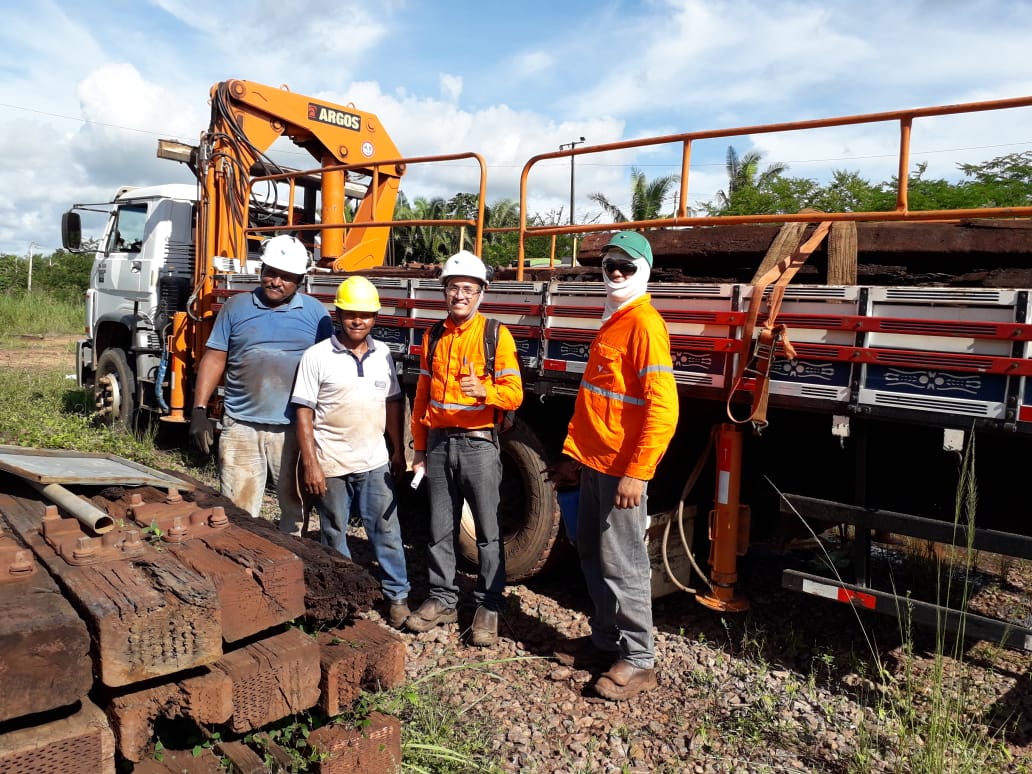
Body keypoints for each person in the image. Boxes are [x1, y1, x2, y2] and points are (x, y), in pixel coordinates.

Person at [552, 231, 678, 701]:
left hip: (622, 470)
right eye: (610, 267)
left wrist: (638, 472)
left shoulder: (644, 325)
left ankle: (640, 659)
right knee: (590, 550)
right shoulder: (613, 320)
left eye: (627, 266)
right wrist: (572, 457)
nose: (618, 274)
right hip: (594, 463)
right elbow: (596, 402)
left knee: (623, 563)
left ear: (644, 270)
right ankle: (607, 640)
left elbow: (663, 409)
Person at [405, 250, 523, 646]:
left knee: (489, 532)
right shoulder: (433, 335)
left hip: (478, 446)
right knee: (440, 528)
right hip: (438, 444)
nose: (460, 295)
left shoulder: (495, 334)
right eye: (454, 288)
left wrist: (484, 391)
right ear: (445, 292)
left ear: (480, 294)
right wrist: (419, 448)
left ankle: (489, 604)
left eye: (468, 289)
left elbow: (515, 394)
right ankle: (442, 598)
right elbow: (422, 395)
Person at [189, 234, 332, 535]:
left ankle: (292, 561)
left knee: (296, 509)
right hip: (241, 427)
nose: (276, 281)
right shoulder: (236, 307)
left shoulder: (316, 313)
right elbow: (215, 358)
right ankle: (240, 564)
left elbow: (329, 368)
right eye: (271, 272)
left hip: (294, 428)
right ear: (261, 270)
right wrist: (200, 410)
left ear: (300, 281)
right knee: (237, 511)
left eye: (286, 277)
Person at [290, 276, 411, 628]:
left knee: (386, 530)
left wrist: (398, 452)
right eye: (351, 314)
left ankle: (397, 596)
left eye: (366, 315)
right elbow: (303, 413)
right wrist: (311, 463)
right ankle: (343, 599)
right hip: (330, 461)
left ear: (375, 318)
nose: (358, 321)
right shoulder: (316, 356)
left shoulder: (383, 355)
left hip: (374, 459)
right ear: (338, 314)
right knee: (334, 532)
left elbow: (392, 403)